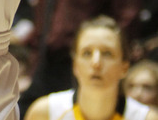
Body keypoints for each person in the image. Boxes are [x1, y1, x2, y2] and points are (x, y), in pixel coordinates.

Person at [24, 15, 158, 120]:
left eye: (107, 53)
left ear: (124, 67)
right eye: (87, 53)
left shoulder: (146, 118)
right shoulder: (45, 113)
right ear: (75, 65)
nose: (96, 62)